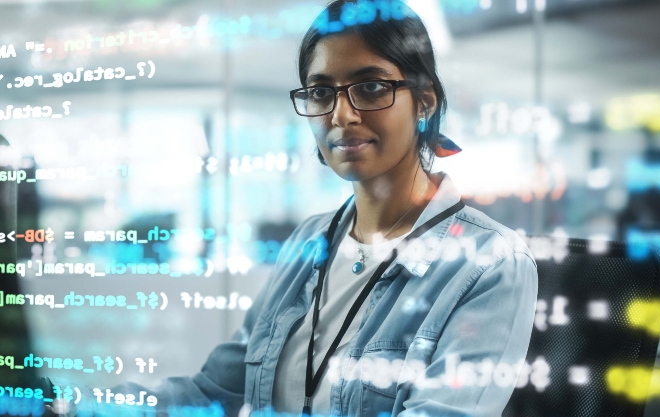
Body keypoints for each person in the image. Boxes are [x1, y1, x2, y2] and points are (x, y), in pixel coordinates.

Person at [46, 1, 537, 416]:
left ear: (424, 102)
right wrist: (62, 405)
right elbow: (212, 394)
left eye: (370, 86)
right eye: (321, 92)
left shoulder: (490, 263)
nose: (341, 115)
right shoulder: (310, 241)